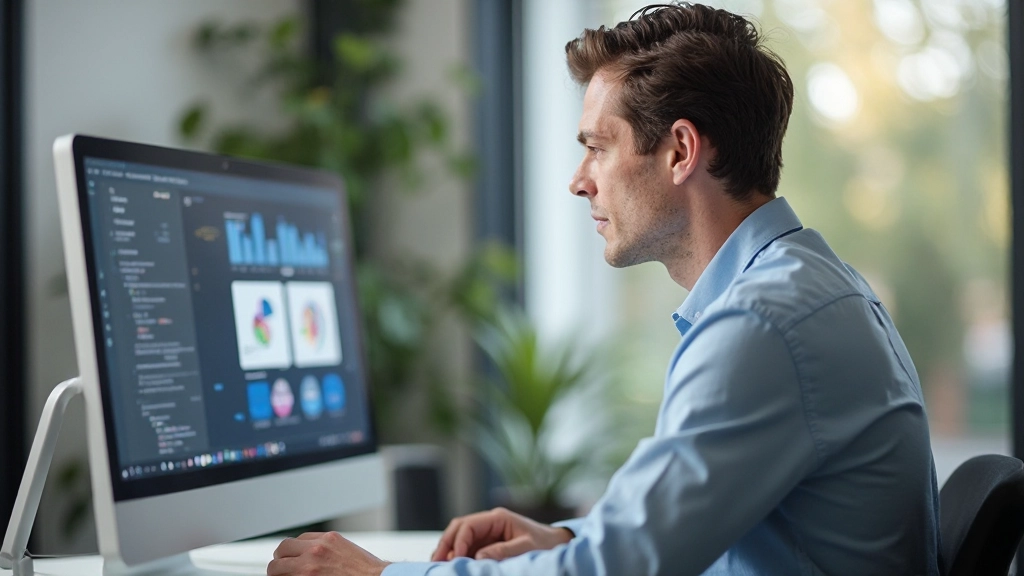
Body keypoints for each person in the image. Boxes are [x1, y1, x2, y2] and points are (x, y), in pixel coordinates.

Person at [268, 3, 941, 575]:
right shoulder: (809, 288)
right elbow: (660, 542)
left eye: (598, 146)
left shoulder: (765, 324)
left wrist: (384, 575)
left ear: (680, 151)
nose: (578, 179)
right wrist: (566, 541)